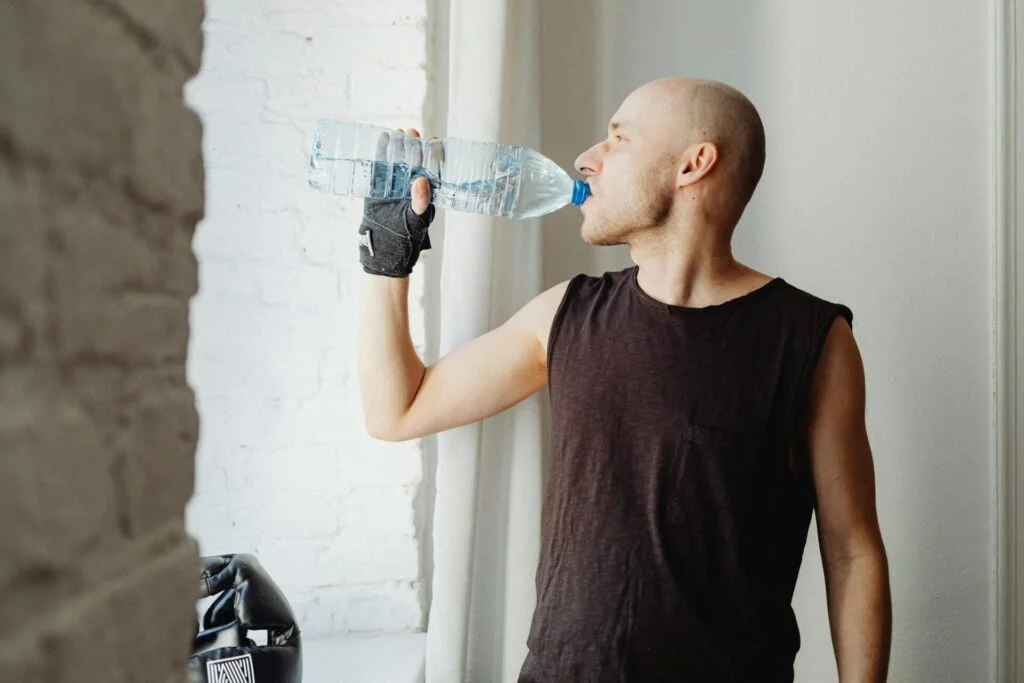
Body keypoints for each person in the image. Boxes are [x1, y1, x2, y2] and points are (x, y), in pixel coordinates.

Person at [356, 77, 892, 682]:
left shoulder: (813, 341)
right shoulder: (565, 313)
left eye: (618, 139)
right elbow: (396, 410)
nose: (586, 160)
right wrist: (387, 253)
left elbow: (852, 553)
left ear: (694, 164)